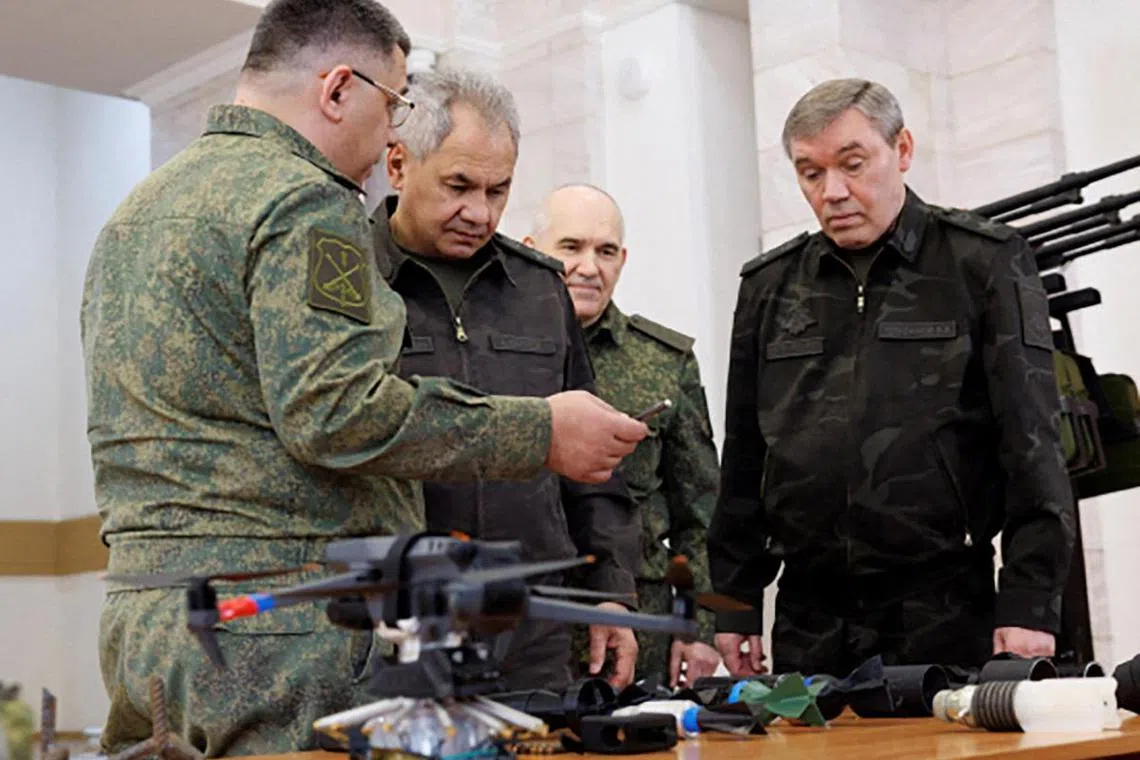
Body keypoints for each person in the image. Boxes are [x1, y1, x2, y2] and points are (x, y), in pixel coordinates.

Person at [82, 1, 647, 756]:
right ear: (339, 88)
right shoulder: (303, 200)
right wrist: (540, 430)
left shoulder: (136, 212)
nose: (392, 134)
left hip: (150, 620)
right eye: (395, 103)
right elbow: (336, 411)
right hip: (280, 631)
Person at [709, 78, 1075, 679]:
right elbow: (743, 461)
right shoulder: (769, 288)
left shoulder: (981, 262)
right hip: (808, 619)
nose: (833, 192)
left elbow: (1033, 447)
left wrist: (1032, 602)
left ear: (901, 150)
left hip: (945, 609)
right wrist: (728, 605)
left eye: (853, 164)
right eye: (810, 174)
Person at [370, 70, 640, 691]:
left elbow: (593, 466)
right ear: (398, 164)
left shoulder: (541, 290)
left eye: (499, 190)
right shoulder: (351, 284)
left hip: (532, 628)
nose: (479, 212)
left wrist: (610, 593)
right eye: (458, 186)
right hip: (399, 627)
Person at [523, 184, 722, 686]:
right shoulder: (500, 357)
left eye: (605, 251)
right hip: (522, 629)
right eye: (570, 247)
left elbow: (700, 511)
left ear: (623, 259)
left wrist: (698, 626)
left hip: (637, 632)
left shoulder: (661, 361)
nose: (590, 266)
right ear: (530, 250)